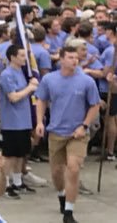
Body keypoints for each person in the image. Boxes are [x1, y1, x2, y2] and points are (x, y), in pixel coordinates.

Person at [34, 46, 102, 223]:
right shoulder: (49, 79)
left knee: (73, 167)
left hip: (77, 133)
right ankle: (62, 195)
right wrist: (40, 122)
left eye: (76, 58)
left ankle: (69, 212)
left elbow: (95, 105)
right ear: (61, 59)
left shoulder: (86, 81)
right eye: (70, 57)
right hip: (56, 131)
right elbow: (41, 100)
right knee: (57, 172)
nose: (74, 60)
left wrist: (84, 125)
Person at [0, 46, 38, 197]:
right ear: (12, 57)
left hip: (23, 119)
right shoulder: (7, 75)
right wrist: (30, 88)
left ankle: (18, 182)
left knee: (21, 153)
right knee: (9, 154)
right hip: (11, 121)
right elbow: (13, 97)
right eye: (21, 55)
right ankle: (5, 184)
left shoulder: (21, 73)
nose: (24, 58)